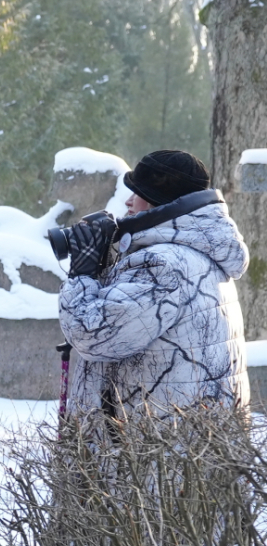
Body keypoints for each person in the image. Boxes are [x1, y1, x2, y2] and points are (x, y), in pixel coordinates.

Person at [57, 150, 249, 415]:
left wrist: (82, 273)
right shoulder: (200, 253)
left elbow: (90, 335)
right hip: (181, 441)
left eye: (136, 192)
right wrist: (104, 268)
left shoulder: (162, 265)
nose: (128, 202)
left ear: (157, 200)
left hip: (148, 445)